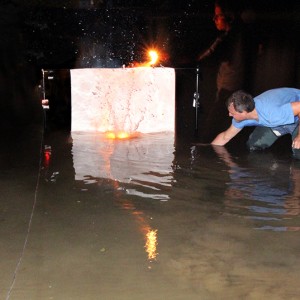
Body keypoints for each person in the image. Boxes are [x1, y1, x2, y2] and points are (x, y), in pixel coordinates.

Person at [198, 0, 257, 141]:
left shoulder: (230, 38)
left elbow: (206, 57)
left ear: (229, 16)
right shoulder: (243, 34)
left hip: (229, 91)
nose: (214, 19)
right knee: (234, 129)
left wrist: (173, 61)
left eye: (217, 16)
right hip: (240, 89)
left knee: (210, 131)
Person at [211, 88, 300, 159]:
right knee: (253, 146)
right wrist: (210, 150)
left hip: (297, 118)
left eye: (232, 113)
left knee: (298, 152)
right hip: (277, 122)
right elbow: (225, 137)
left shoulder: (272, 113)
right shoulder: (241, 118)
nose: (229, 115)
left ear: (244, 112)